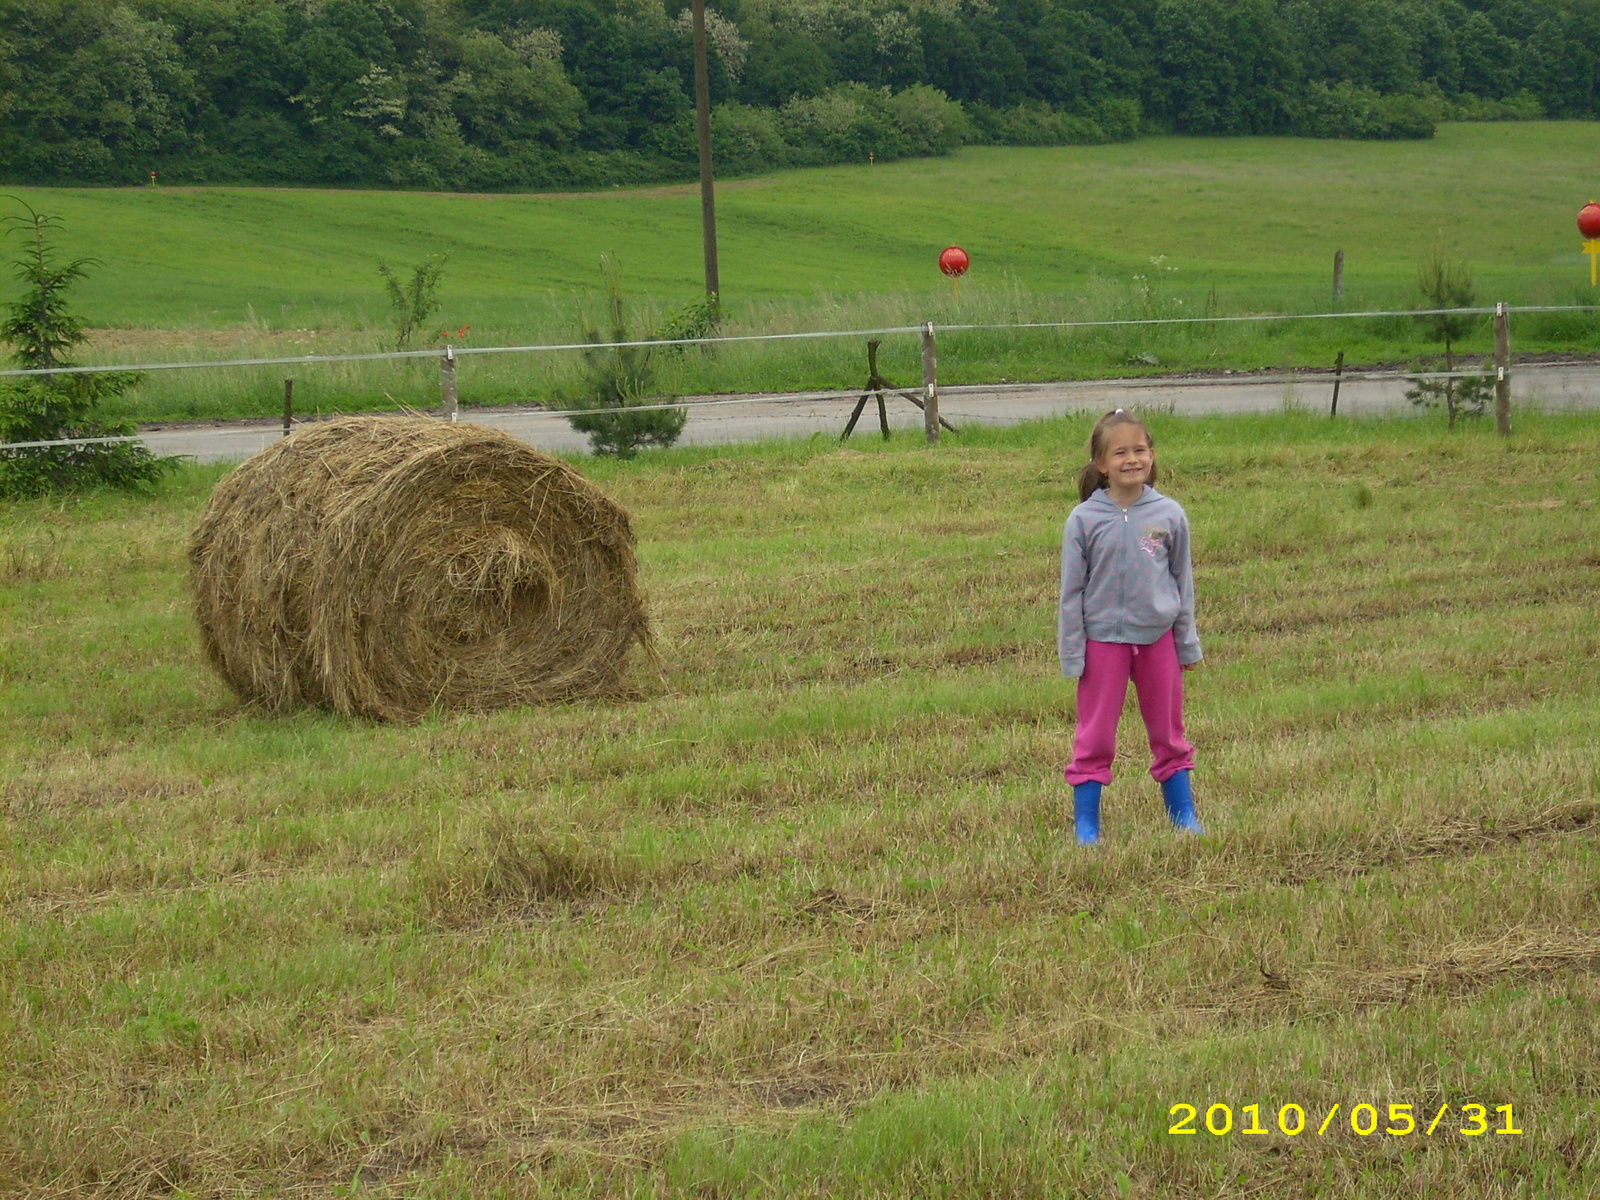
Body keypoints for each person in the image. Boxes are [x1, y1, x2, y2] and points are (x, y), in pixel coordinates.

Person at [1058, 409, 1204, 846]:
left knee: (1168, 731)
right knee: (1096, 734)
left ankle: (1183, 816)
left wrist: (1187, 644)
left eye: (1139, 450)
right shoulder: (1083, 520)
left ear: (1152, 456)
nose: (1131, 459)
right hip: (1103, 644)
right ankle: (1087, 825)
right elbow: (1071, 594)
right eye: (1119, 452)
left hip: (1157, 641)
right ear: (1101, 464)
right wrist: (1073, 652)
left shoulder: (1170, 515)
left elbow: (1183, 583)